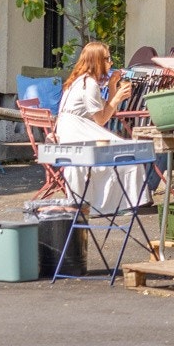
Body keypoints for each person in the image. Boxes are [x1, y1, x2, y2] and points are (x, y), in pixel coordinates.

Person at [55, 41, 148, 216]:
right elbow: (101, 119)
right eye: (107, 58)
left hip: (73, 130)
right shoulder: (88, 84)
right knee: (127, 151)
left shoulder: (79, 80)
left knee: (121, 148)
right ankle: (120, 203)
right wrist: (118, 96)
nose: (111, 62)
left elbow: (107, 111)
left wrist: (113, 86)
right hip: (78, 133)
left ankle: (117, 202)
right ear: (97, 60)